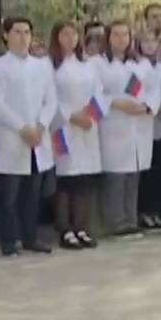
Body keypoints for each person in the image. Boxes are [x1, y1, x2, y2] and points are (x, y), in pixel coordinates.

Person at [0, 16, 57, 257]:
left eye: (27, 32)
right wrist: (22, 128)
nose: (23, 37)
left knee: (32, 194)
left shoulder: (41, 66)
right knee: (9, 196)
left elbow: (51, 100)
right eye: (17, 32)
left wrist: (40, 125)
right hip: (12, 138)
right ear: (6, 35)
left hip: (37, 138)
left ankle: (31, 237)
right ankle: (10, 240)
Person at [98, 20, 160, 239]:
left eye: (125, 35)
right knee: (116, 176)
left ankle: (131, 219)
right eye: (116, 35)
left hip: (138, 124)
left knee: (133, 174)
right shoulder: (99, 64)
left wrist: (146, 106)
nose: (121, 39)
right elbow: (95, 94)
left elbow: (154, 90)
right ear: (108, 37)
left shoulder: (141, 64)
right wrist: (117, 103)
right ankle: (116, 223)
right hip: (114, 123)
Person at [49, 21, 103, 250]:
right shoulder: (49, 66)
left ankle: (81, 227)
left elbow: (99, 92)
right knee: (66, 179)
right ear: (56, 37)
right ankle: (65, 230)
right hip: (62, 128)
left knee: (85, 179)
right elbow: (48, 96)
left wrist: (90, 115)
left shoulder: (88, 65)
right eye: (65, 34)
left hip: (87, 127)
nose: (70, 38)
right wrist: (71, 116)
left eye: (74, 34)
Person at [138, 30, 161, 229]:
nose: (152, 45)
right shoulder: (137, 66)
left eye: (157, 41)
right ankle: (145, 212)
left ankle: (159, 211)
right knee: (147, 174)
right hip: (145, 126)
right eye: (148, 41)